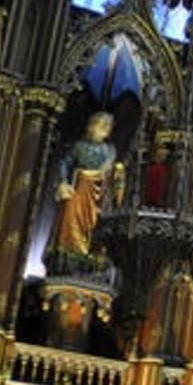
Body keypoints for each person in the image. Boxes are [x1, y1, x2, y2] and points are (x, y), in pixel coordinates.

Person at [47, 112, 123, 274]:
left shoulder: (109, 150)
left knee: (95, 224)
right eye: (102, 125)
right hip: (80, 187)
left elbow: (113, 174)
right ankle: (68, 253)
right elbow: (65, 163)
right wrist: (63, 182)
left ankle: (89, 255)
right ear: (91, 126)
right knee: (71, 219)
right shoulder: (79, 146)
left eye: (108, 127)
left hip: (100, 192)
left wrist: (117, 173)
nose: (105, 129)